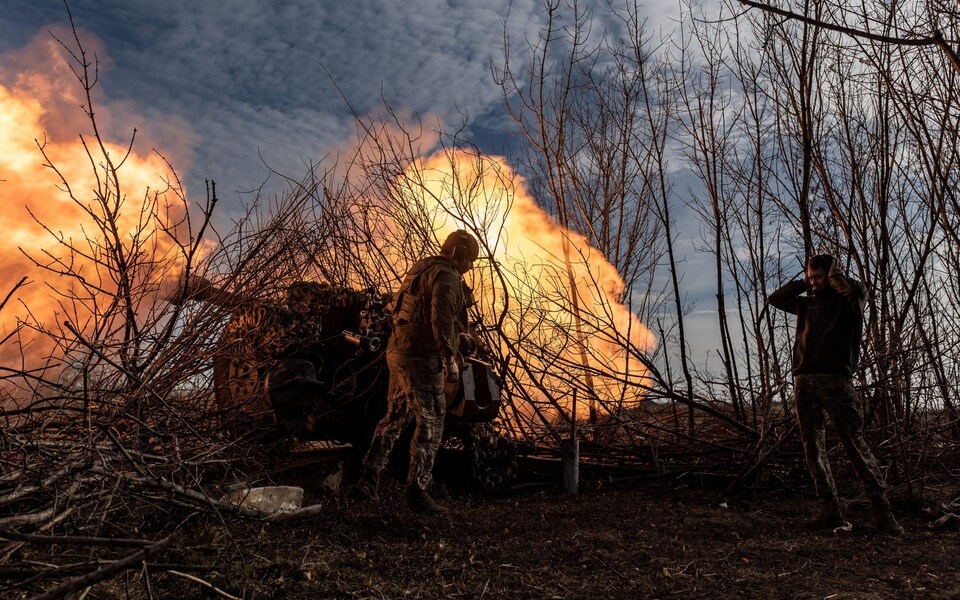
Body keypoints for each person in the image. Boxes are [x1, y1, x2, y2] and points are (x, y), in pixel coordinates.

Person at [768, 254, 903, 535]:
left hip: (837, 380)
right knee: (812, 447)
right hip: (804, 380)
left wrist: (834, 277)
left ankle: (883, 514)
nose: (815, 282)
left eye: (819, 277)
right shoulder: (806, 303)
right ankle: (830, 511)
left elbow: (853, 292)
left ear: (832, 274)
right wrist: (803, 282)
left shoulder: (849, 300)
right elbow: (775, 299)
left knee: (854, 444)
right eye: (812, 277)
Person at [354, 230, 479, 513]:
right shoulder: (445, 276)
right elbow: (441, 319)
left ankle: (367, 479)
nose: (469, 266)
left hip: (398, 353)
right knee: (432, 422)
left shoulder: (422, 267)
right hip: (421, 359)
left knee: (394, 418)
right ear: (459, 255)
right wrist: (449, 358)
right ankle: (418, 491)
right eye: (469, 260)